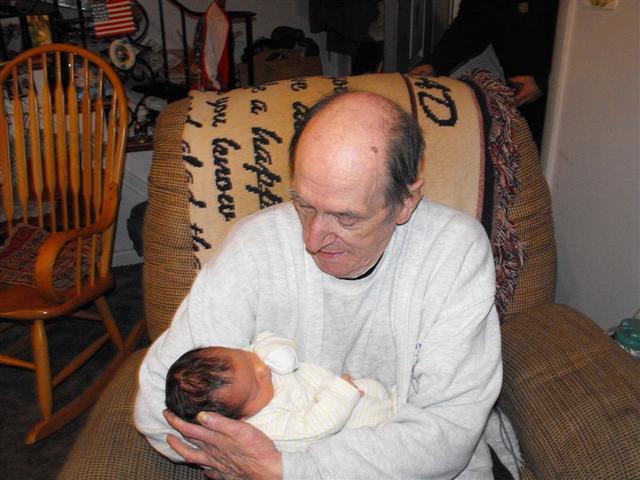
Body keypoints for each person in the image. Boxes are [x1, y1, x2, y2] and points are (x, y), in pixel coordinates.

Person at [135, 90, 502, 479]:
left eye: (346, 218)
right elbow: (158, 405)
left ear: (406, 202)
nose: (312, 239)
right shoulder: (256, 244)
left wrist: (288, 469)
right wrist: (257, 463)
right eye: (304, 205)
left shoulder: (453, 252)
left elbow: (446, 434)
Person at [165, 331, 396, 452]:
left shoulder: (243, 366)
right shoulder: (266, 428)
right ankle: (396, 421)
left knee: (373, 388)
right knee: (368, 421)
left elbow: (265, 337)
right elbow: (314, 428)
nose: (262, 368)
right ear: (240, 419)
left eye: (247, 357)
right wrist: (341, 393)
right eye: (257, 383)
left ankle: (397, 406)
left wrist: (273, 349)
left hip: (341, 390)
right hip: (343, 424)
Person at [410, 0, 559, 148]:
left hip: (560, 88)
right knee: (526, 146)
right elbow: (469, 27)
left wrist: (543, 80)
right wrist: (434, 63)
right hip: (521, 92)